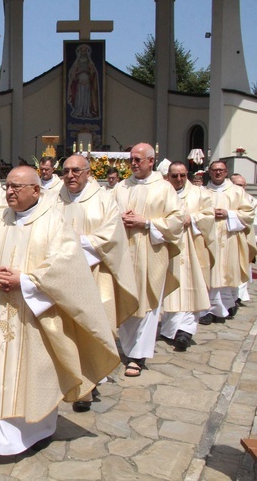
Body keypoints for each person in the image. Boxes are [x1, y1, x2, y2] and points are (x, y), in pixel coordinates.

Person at [0, 165, 119, 456]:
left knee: (33, 373)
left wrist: (24, 280)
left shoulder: (54, 221)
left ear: (36, 190)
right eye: (7, 186)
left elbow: (67, 265)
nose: (9, 192)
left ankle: (33, 432)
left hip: (35, 315)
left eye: (17, 187)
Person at [114, 143, 183, 377]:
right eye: (131, 159)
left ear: (151, 161)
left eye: (138, 159)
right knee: (124, 298)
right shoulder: (121, 187)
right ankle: (128, 347)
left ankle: (138, 356)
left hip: (150, 252)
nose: (133, 163)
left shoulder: (164, 188)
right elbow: (106, 214)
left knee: (149, 302)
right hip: (123, 253)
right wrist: (118, 218)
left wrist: (147, 223)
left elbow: (176, 220)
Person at [58, 155, 138, 331]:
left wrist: (78, 242)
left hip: (95, 270)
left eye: (76, 171)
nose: (70, 175)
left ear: (88, 173)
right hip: (61, 270)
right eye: (66, 172)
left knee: (95, 322)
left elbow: (112, 233)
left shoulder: (104, 199)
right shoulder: (53, 199)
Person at [160, 162, 214, 350]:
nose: (179, 179)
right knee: (172, 289)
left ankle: (186, 330)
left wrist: (193, 218)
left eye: (182, 175)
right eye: (174, 176)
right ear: (168, 176)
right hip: (169, 247)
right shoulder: (162, 192)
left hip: (193, 247)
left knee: (193, 286)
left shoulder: (199, 193)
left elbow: (209, 215)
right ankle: (171, 329)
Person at [201, 161, 256, 324]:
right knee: (208, 274)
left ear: (226, 172)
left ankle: (223, 307)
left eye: (221, 170)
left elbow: (248, 214)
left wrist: (228, 214)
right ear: (209, 172)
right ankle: (207, 310)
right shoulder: (201, 192)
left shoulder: (237, 191)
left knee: (225, 274)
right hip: (207, 240)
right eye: (215, 170)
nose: (218, 173)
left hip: (229, 239)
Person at [229, 173, 256, 306]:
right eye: (237, 185)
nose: (240, 188)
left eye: (242, 185)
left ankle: (238, 296)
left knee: (243, 267)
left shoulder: (251, 201)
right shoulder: (227, 198)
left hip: (246, 237)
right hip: (229, 239)